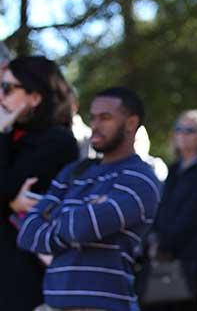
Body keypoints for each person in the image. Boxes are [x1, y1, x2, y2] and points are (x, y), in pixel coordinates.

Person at [17, 87, 161, 311]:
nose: (95, 124)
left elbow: (83, 228)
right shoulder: (74, 172)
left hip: (104, 304)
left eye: (105, 118)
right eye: (93, 117)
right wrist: (83, 214)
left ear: (131, 123)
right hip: (52, 303)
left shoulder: (141, 178)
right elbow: (27, 232)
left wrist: (55, 217)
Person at [0, 56, 78, 311]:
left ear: (35, 97)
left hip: (26, 274)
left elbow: (9, 184)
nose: (1, 96)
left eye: (8, 88)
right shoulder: (9, 134)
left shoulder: (58, 141)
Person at [143, 110, 197, 311]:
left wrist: (165, 245)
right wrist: (153, 239)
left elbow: (196, 217)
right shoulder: (175, 169)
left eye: (189, 130)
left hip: (190, 257)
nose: (182, 134)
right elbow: (162, 208)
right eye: (179, 129)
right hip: (163, 255)